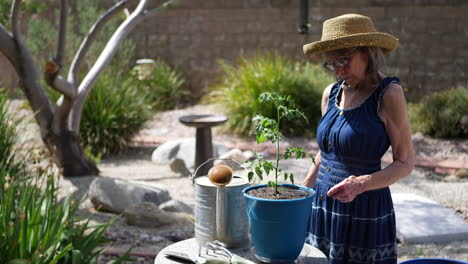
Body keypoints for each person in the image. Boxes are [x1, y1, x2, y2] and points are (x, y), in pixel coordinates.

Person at [302, 14, 415, 264]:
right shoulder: (330, 93)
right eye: (332, 64)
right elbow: (326, 151)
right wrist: (303, 191)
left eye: (344, 60)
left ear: (367, 52)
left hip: (364, 208)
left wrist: (361, 184)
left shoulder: (389, 94)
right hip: (322, 204)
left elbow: (405, 163)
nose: (339, 70)